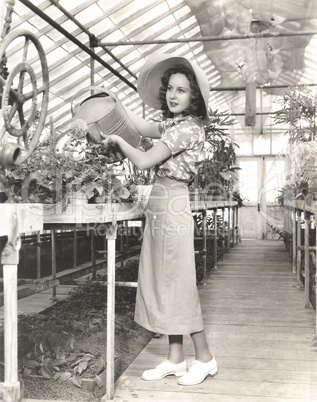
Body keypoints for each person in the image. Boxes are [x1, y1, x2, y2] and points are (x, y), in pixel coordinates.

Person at [102, 53, 217, 386]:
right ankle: (176, 360)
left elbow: (143, 160)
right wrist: (113, 102)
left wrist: (120, 142)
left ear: (193, 97)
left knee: (177, 282)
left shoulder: (189, 128)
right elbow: (139, 126)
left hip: (173, 202)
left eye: (182, 90)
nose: (173, 95)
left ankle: (206, 358)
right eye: (170, 89)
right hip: (161, 200)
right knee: (164, 280)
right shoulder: (173, 124)